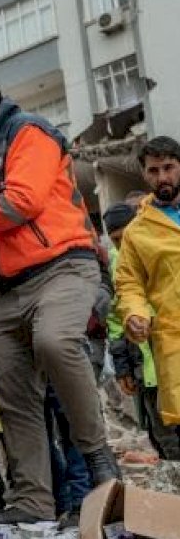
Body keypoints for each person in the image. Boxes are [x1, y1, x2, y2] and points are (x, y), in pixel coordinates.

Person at [0, 68, 118, 526]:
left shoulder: (28, 131)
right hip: (10, 285)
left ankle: (100, 459)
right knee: (11, 385)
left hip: (64, 265)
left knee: (55, 340)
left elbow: (22, 201)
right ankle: (33, 500)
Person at [117, 136, 180, 433]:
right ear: (144, 174)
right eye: (154, 170)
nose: (162, 177)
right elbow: (129, 284)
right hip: (175, 339)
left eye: (168, 167)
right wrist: (134, 314)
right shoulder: (136, 232)